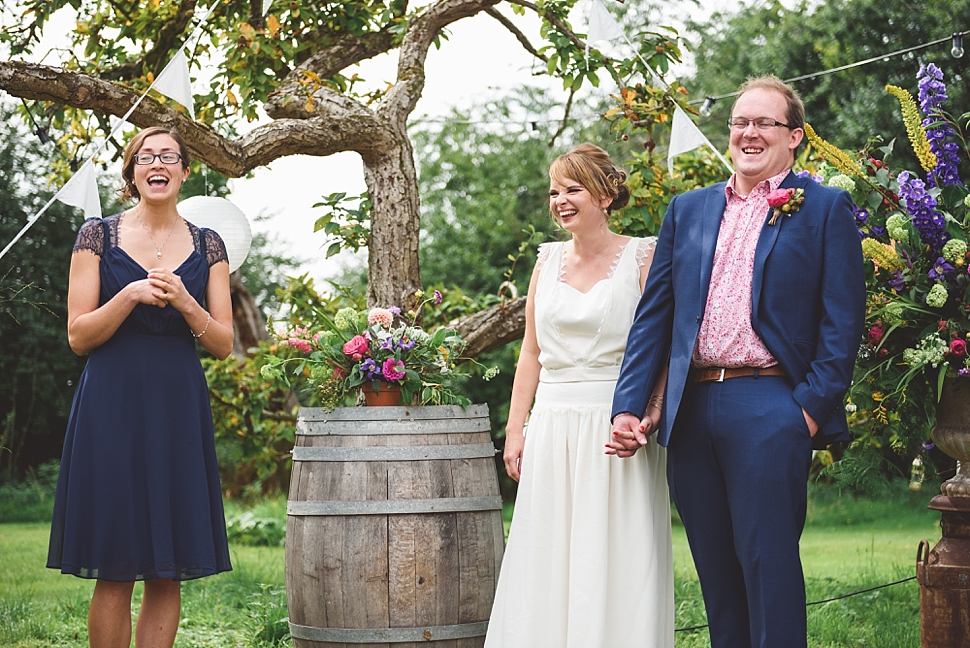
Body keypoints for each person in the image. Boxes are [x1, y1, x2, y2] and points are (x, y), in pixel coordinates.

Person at [609, 75, 866, 647]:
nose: (749, 133)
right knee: (718, 582)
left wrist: (806, 410)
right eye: (740, 122)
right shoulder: (689, 209)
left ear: (794, 136)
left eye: (764, 123)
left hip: (770, 405)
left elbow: (841, 322)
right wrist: (628, 405)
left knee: (768, 570)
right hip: (692, 410)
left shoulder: (823, 207)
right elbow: (655, 316)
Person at [47, 126, 234, 648]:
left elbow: (222, 342)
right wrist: (128, 294)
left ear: (185, 171)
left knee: (165, 567)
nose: (158, 164)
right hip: (112, 405)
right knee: (115, 563)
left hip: (177, 406)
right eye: (145, 156)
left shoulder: (208, 245)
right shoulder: (97, 237)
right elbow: (78, 336)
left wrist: (185, 302)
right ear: (130, 173)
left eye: (168, 156)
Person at [485, 143, 674, 648]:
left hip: (618, 423)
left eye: (573, 189)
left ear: (606, 194)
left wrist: (648, 414)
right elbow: (530, 352)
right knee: (546, 550)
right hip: (550, 424)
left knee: (617, 547)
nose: (560, 200)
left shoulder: (644, 255)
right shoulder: (545, 261)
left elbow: (660, 344)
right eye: (554, 191)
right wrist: (514, 430)